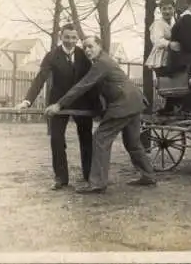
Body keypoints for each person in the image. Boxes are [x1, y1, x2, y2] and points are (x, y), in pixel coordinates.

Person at [44, 36, 157, 194]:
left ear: (99, 46)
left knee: (100, 139)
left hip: (123, 104)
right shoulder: (103, 61)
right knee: (132, 142)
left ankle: (97, 183)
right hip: (135, 102)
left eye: (91, 46)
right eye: (85, 48)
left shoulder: (101, 63)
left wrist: (59, 104)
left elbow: (83, 86)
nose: (87, 50)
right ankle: (148, 175)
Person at [16, 24, 101, 191]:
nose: (70, 41)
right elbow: (40, 79)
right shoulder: (52, 55)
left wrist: (97, 107)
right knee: (56, 139)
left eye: (73, 38)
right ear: (61, 37)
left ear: (77, 39)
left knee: (86, 138)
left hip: (81, 102)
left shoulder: (83, 55)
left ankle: (89, 175)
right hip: (57, 103)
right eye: (67, 37)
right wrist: (27, 101)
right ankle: (61, 178)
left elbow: (93, 80)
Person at [158, 0, 191, 115]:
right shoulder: (188, 19)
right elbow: (188, 43)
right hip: (183, 59)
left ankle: (176, 106)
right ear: (190, 3)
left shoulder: (186, 18)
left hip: (180, 58)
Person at [144, 0, 177, 73]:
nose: (167, 11)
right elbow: (157, 41)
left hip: (172, 56)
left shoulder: (175, 23)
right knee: (163, 81)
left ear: (174, 9)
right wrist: (170, 44)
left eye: (170, 8)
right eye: (164, 9)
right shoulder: (158, 24)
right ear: (160, 10)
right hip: (160, 58)